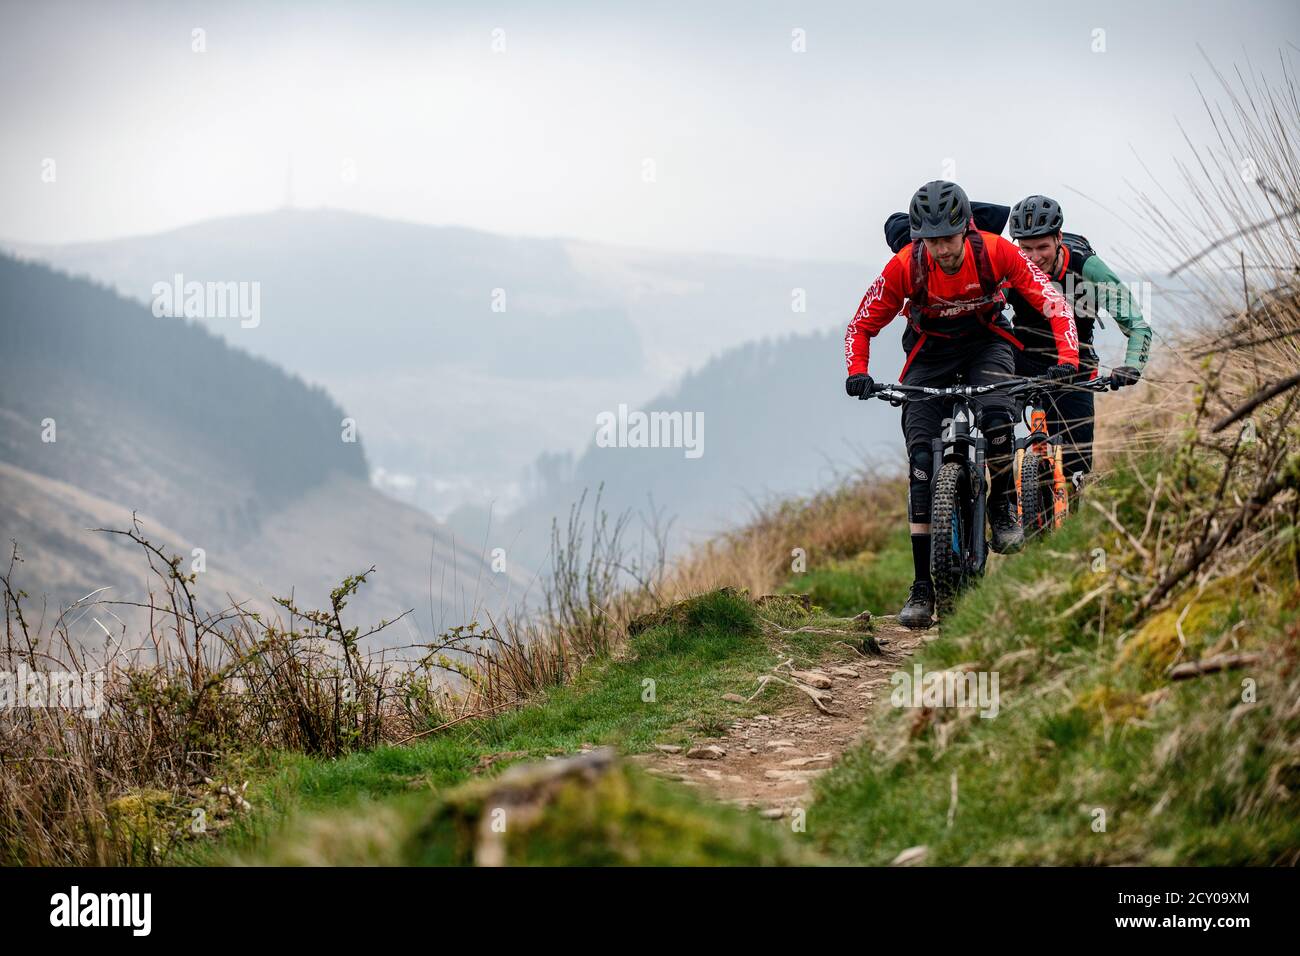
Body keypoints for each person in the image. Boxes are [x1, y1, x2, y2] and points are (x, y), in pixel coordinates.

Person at [845, 181, 1078, 629]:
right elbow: (860, 325)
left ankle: (1003, 506)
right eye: (932, 241)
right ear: (920, 237)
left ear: (964, 228)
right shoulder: (904, 267)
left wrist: (1069, 360)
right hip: (930, 351)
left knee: (995, 413)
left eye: (949, 239)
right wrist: (858, 372)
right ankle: (921, 587)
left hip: (987, 343)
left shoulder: (994, 252)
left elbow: (1054, 305)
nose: (942, 249)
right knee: (919, 459)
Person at [1005, 195, 1152, 492]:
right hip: (1023, 356)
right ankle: (1003, 510)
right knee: (996, 430)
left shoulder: (1088, 267)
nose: (1034, 257)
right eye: (1026, 248)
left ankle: (1070, 517)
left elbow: (1136, 323)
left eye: (1043, 247)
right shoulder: (1011, 265)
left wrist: (1132, 366)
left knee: (1076, 468)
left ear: (1059, 238)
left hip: (1076, 363)